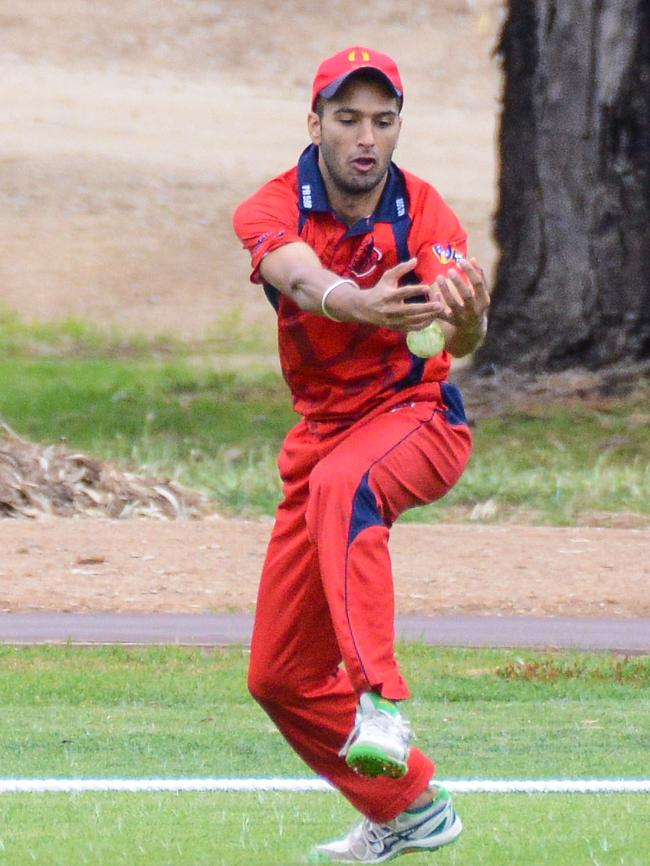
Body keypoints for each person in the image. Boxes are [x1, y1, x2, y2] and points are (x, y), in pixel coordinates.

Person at [233, 45, 490, 864]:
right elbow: (300, 279)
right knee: (277, 675)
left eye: (383, 121)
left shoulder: (424, 210)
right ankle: (410, 808)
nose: (366, 137)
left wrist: (472, 321)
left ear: (397, 128)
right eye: (348, 119)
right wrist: (360, 304)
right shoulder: (271, 206)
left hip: (420, 420)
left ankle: (380, 700)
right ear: (316, 125)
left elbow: (462, 328)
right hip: (321, 440)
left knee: (350, 483)